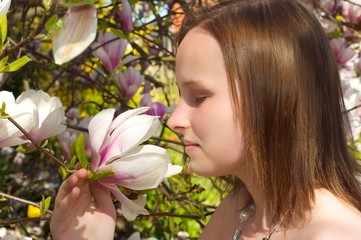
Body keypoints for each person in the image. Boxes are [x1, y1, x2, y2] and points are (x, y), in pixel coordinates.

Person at [50, 0, 361, 239]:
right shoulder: (243, 208)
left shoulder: (334, 232)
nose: (175, 120)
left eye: (198, 97)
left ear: (279, 100)